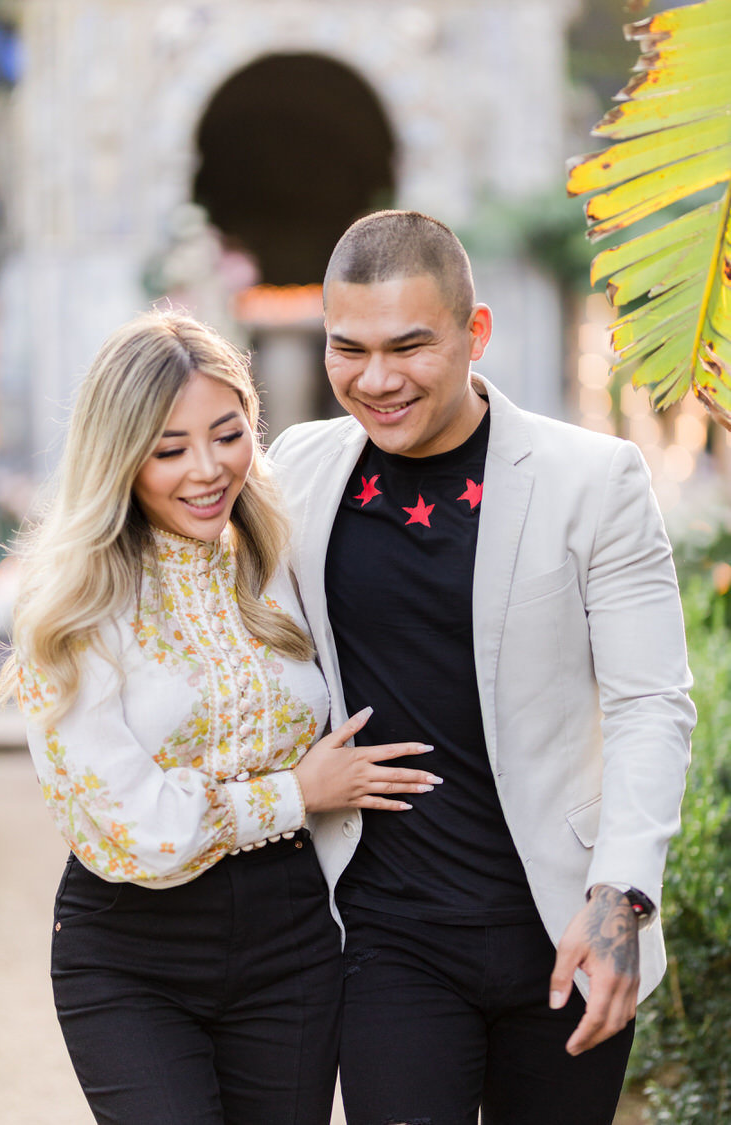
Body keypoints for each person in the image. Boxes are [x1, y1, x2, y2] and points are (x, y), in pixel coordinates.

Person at [267, 210, 696, 1125]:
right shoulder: (297, 467)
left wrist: (622, 896)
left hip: (565, 931)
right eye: (349, 349)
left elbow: (652, 703)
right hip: (385, 935)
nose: (376, 381)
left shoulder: (597, 479)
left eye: (410, 346)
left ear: (476, 332)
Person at [0, 310, 438, 1125]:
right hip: (132, 951)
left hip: (293, 940)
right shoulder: (73, 606)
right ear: (119, 457)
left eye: (228, 434)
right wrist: (297, 791)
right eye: (169, 449)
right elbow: (138, 828)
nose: (207, 470)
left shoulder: (280, 559)